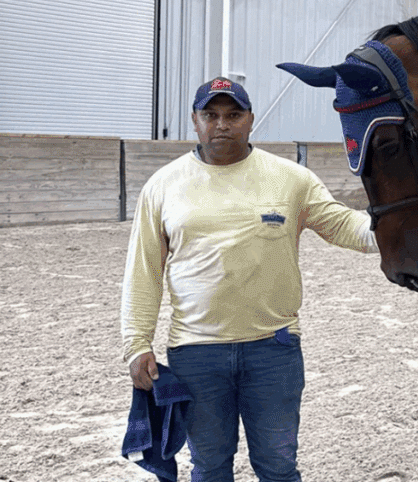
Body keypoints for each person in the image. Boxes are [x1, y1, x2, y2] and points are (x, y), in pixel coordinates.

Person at [121, 76, 379, 481]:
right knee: (209, 467)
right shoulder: (163, 185)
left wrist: (403, 229)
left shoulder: (291, 178)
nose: (222, 124)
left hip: (273, 351)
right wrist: (137, 343)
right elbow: (144, 270)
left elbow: (346, 226)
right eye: (211, 114)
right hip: (196, 353)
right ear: (195, 120)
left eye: (233, 114)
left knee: (278, 467)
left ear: (251, 120)